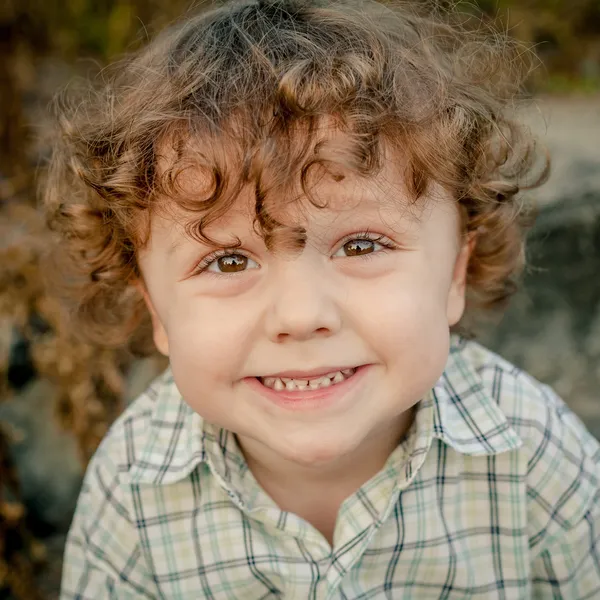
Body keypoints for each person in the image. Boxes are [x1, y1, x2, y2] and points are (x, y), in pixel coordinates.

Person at [45, 0, 600, 597]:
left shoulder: (536, 455)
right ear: (156, 311)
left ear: (455, 276)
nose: (302, 316)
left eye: (362, 246)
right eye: (228, 260)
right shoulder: (132, 490)